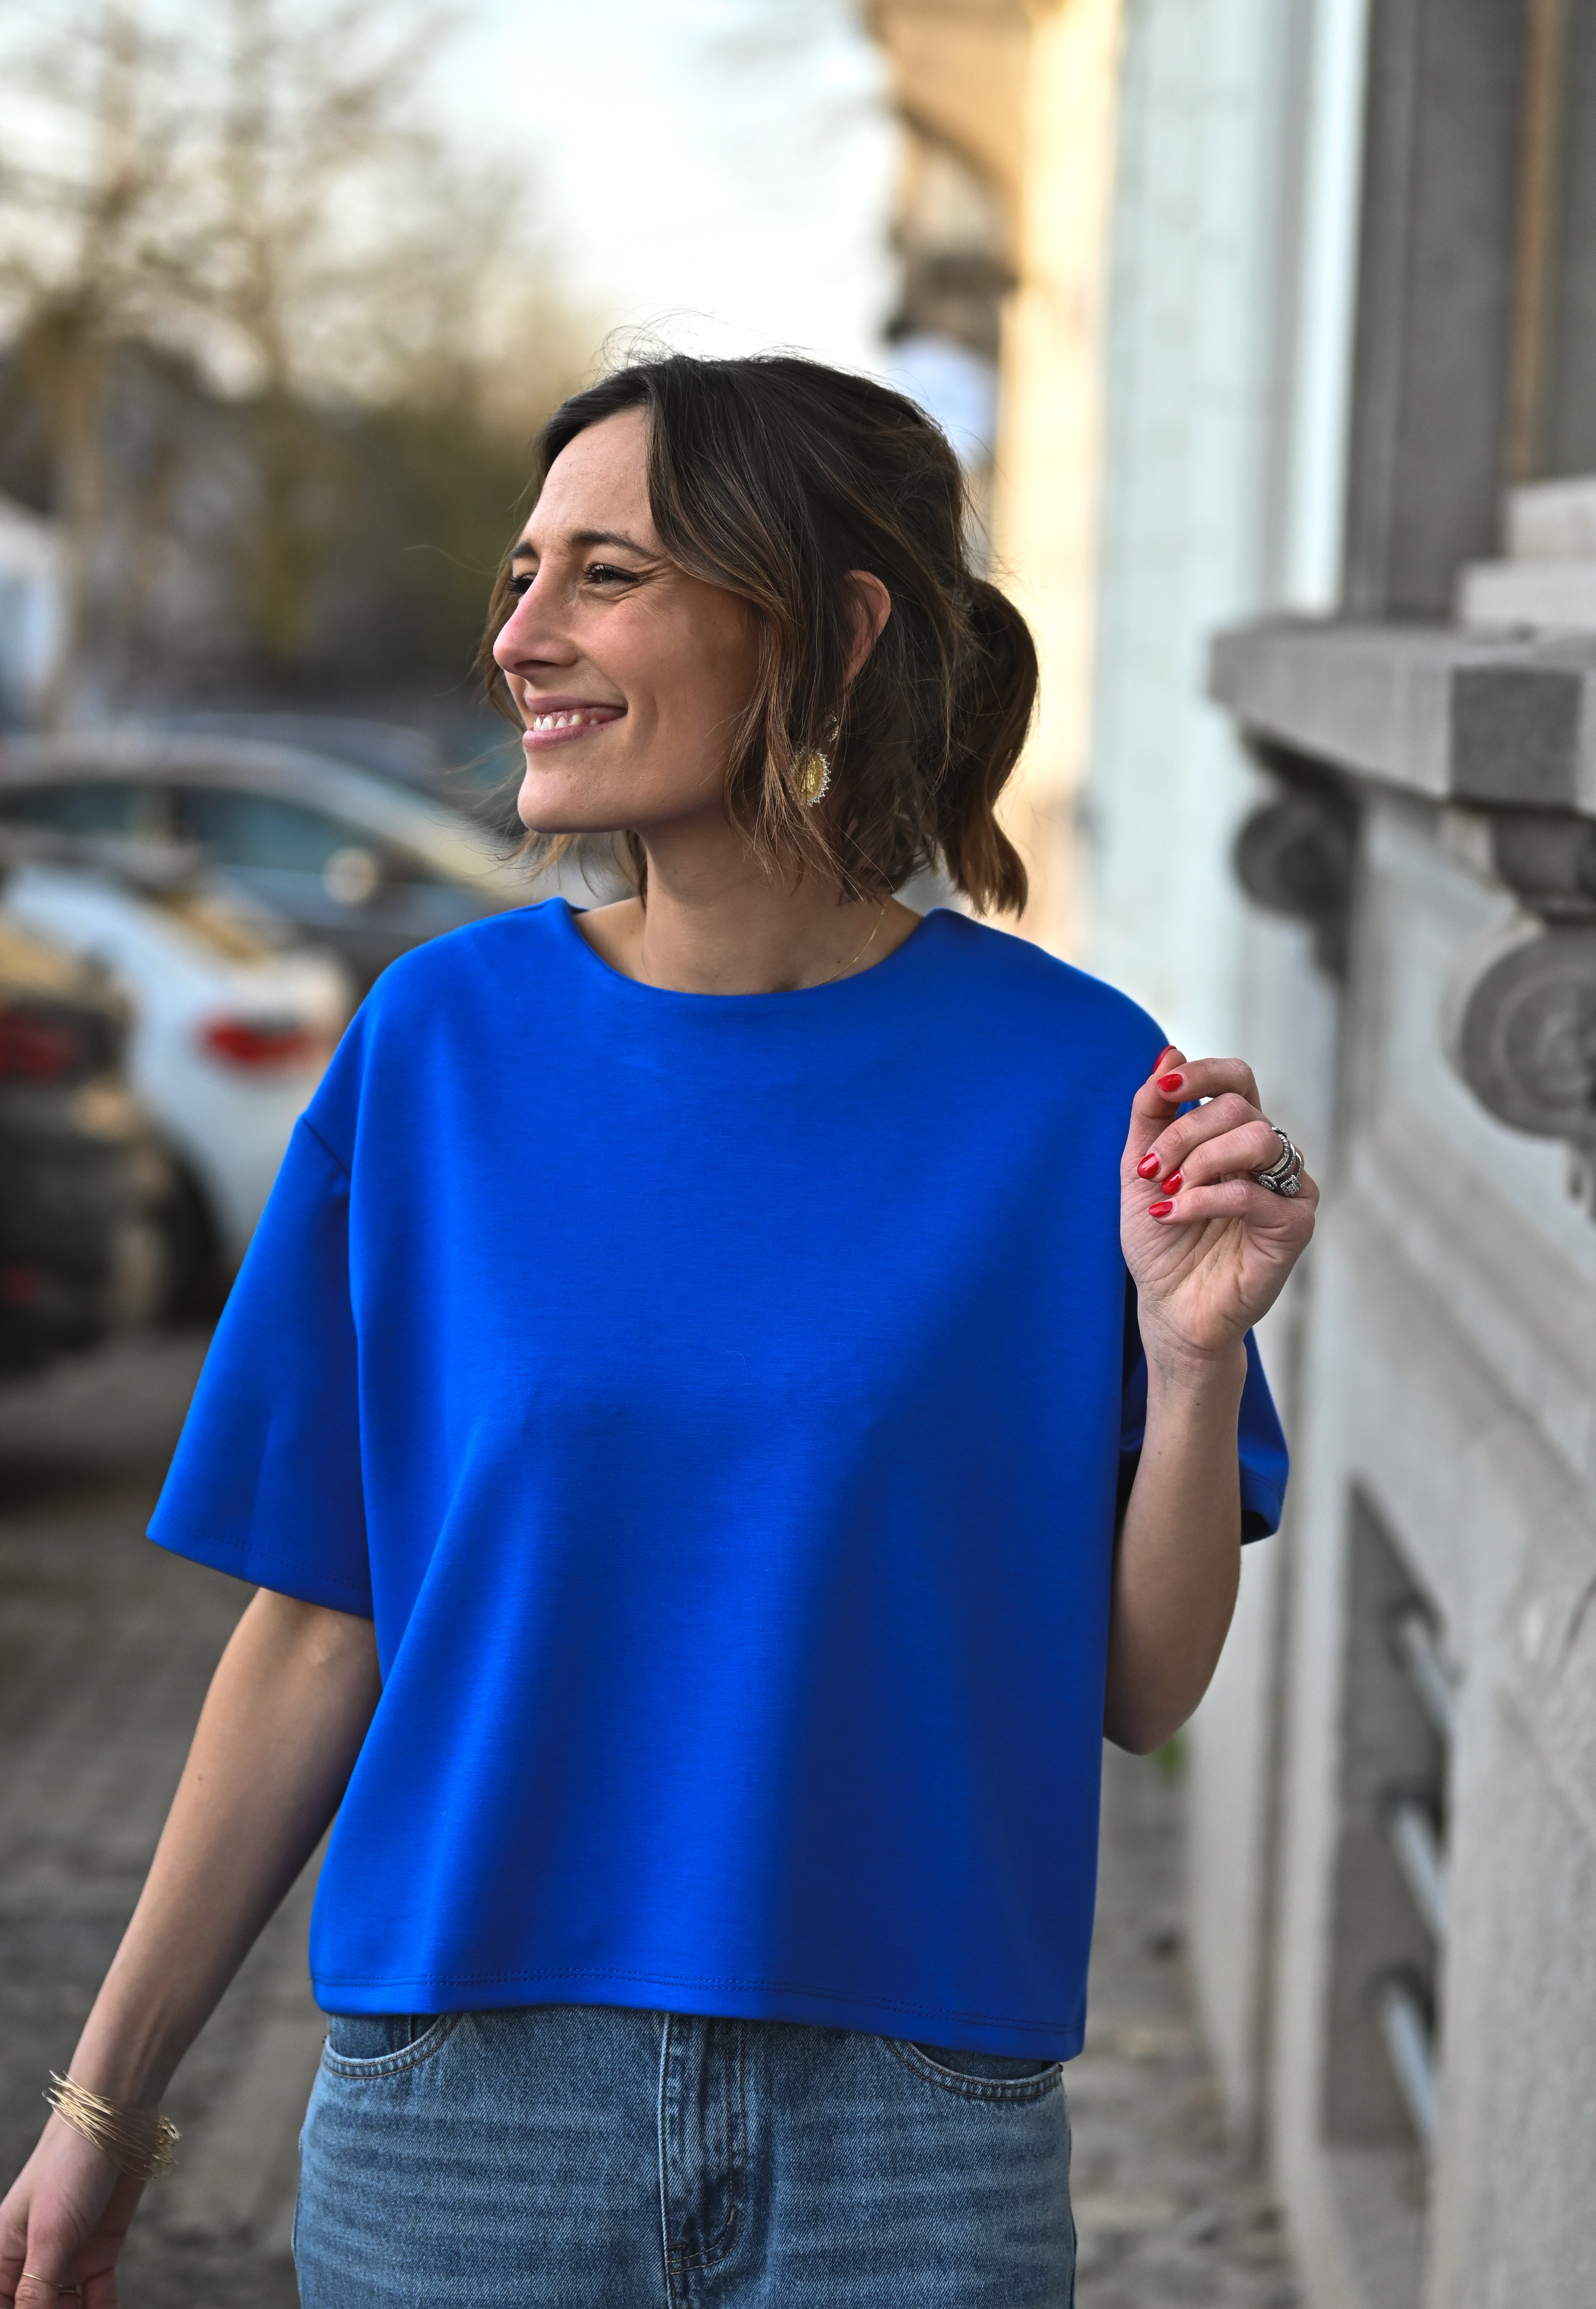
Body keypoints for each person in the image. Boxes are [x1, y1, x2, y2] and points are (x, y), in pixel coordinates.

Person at [0, 354, 1314, 2309]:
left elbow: (1138, 1687)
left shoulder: (1073, 1085)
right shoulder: (435, 1055)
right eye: (523, 574)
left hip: (915, 2140)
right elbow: (317, 1626)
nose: (519, 636)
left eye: (605, 575)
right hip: (467, 2128)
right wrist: (103, 2108)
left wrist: (1193, 1364)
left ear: (833, 633)